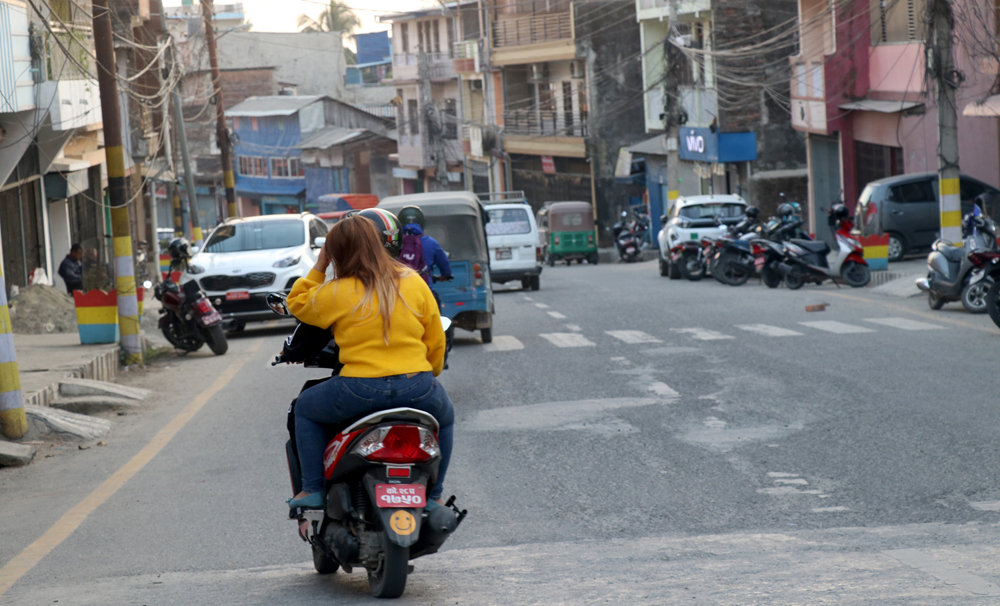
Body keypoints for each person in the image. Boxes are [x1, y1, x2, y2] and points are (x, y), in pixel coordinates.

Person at [284, 209, 454, 509]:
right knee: (447, 418)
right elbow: (435, 341)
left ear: (337, 252)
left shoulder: (336, 292)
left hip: (357, 390)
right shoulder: (413, 282)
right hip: (418, 386)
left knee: (306, 410)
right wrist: (431, 375)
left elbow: (297, 303)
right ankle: (436, 494)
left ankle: (311, 490)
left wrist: (321, 264)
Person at [397, 206, 453, 287]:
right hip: (424, 291)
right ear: (422, 223)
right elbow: (446, 268)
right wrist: (445, 275)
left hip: (399, 293)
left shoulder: (393, 243)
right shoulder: (431, 243)